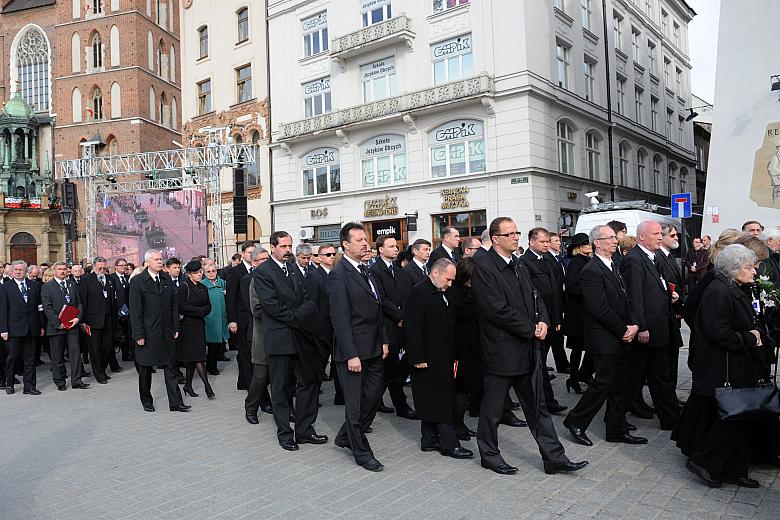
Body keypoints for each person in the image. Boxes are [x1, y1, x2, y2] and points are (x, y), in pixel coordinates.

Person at [471, 217, 587, 475]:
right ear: (496, 238)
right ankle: (489, 455)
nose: (515, 237)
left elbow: (536, 297)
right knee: (492, 411)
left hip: (527, 348)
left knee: (538, 407)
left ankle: (554, 457)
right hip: (501, 350)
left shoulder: (518, 264)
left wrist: (543, 320)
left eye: (517, 232)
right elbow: (495, 309)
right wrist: (530, 328)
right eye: (510, 233)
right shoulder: (484, 267)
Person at [674, 245, 765, 489]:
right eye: (748, 267)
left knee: (741, 419)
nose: (754, 272)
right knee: (734, 418)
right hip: (723, 366)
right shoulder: (719, 291)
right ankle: (705, 461)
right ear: (733, 269)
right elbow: (718, 332)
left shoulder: (734, 287)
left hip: (736, 364)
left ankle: (734, 469)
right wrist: (750, 337)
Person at [563, 226, 646, 446]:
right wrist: (623, 330)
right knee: (603, 383)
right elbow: (598, 309)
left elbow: (626, 299)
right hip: (604, 338)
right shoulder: (591, 270)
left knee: (619, 384)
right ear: (596, 243)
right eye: (608, 238)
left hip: (621, 334)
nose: (614, 241)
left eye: (613, 237)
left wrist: (634, 325)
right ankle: (576, 420)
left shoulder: (615, 264)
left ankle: (616, 428)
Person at [255, 231, 325, 451]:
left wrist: (299, 316)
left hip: (301, 336)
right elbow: (271, 306)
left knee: (309, 381)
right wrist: (296, 317)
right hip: (280, 339)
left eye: (289, 246)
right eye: (284, 246)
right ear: (273, 247)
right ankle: (285, 433)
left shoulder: (294, 268)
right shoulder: (264, 272)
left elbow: (307, 298)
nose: (287, 250)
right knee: (281, 388)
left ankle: (304, 430)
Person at [329, 222, 390, 472]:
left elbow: (379, 308)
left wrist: (384, 339)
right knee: (354, 407)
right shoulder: (338, 275)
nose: (365, 244)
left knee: (373, 398)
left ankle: (344, 436)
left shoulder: (369, 271)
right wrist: (351, 354)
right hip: (352, 352)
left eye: (365, 239)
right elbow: (340, 318)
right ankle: (361, 451)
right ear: (346, 244)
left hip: (375, 347)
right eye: (358, 240)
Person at [404, 258, 473, 459]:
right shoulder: (418, 292)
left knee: (433, 399)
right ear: (435, 273)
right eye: (448, 279)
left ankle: (429, 439)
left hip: (444, 355)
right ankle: (450, 444)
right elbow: (413, 327)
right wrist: (417, 356)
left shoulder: (444, 292)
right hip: (426, 357)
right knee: (441, 401)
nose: (450, 284)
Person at [620, 221, 680, 431]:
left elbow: (657, 285)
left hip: (660, 326)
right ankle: (620, 413)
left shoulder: (654, 257)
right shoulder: (634, 260)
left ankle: (669, 418)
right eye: (655, 233)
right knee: (648, 374)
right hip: (648, 329)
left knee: (655, 374)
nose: (659, 236)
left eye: (659, 233)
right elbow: (634, 298)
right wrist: (641, 326)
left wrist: (669, 295)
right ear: (642, 237)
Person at [129, 249, 188, 413]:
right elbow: (135, 310)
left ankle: (176, 402)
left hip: (167, 331)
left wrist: (176, 326)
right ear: (147, 262)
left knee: (171, 367)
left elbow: (173, 305)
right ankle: (146, 400)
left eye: (161, 259)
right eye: (156, 259)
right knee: (145, 369)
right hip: (148, 333)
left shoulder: (166, 278)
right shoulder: (138, 282)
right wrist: (138, 334)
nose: (160, 262)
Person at [519, 227, 568, 411]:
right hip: (537, 321)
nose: (546, 244)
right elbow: (531, 295)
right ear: (532, 242)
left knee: (539, 362)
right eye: (543, 241)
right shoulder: (524, 262)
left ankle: (543, 400)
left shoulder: (548, 259)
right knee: (537, 362)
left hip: (550, 320)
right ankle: (546, 402)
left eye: (548, 241)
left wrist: (556, 319)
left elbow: (555, 291)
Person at [370, 234, 416, 419]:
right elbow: (381, 299)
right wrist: (398, 316)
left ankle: (378, 403)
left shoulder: (400, 270)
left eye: (396, 246)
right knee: (389, 370)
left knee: (396, 370)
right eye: (391, 246)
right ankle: (397, 406)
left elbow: (408, 296)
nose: (396, 249)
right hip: (387, 326)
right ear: (381, 249)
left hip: (402, 326)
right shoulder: (375, 270)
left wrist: (404, 316)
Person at [448, 256, 482, 438]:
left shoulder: (474, 291)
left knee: (469, 385)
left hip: (473, 342)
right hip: (459, 344)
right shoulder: (453, 293)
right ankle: (457, 424)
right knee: (460, 386)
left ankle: (460, 424)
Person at [41, 262, 89, 391]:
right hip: (56, 327)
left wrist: (77, 318)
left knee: (75, 353)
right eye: (60, 269)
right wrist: (58, 323)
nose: (62, 271)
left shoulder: (71, 285)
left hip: (72, 326)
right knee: (57, 356)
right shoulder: (47, 287)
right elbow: (47, 308)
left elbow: (79, 303)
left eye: (64, 269)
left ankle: (77, 381)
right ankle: (60, 381)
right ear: (54, 271)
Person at [0, 260, 43, 395]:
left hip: (31, 328)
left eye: (21, 270)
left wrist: (41, 326)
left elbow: (39, 308)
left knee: (30, 359)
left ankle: (29, 386)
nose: (18, 272)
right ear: (12, 271)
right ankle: (10, 383)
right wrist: (3, 329)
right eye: (16, 269)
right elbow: (3, 310)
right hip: (13, 329)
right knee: (12, 358)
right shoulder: (6, 287)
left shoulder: (34, 286)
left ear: (26, 271)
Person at [562, 233, 594, 394]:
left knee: (587, 347)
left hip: (585, 313)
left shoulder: (587, 260)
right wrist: (590, 291)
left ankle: (581, 375)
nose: (590, 245)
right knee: (577, 349)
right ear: (579, 247)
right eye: (586, 243)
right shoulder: (576, 263)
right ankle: (574, 378)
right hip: (577, 315)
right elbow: (571, 287)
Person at [177, 261, 214, 399]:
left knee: (193, 358)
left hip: (200, 326)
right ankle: (207, 387)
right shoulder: (183, 287)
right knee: (198, 357)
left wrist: (202, 311)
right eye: (196, 273)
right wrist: (200, 311)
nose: (200, 275)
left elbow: (208, 306)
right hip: (187, 327)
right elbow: (181, 306)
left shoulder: (204, 287)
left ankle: (188, 385)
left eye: (200, 272)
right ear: (189, 274)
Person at [657, 223, 685, 397]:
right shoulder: (658, 257)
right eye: (673, 235)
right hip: (664, 316)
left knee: (672, 358)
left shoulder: (669, 256)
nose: (676, 238)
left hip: (674, 313)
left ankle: (671, 397)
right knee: (665, 362)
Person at [245, 247, 273, 424]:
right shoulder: (255, 281)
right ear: (254, 262)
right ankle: (251, 407)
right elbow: (256, 309)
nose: (265, 262)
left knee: (279, 376)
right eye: (261, 259)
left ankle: (275, 406)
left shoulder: (275, 277)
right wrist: (279, 312)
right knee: (261, 376)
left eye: (266, 258)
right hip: (263, 336)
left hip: (279, 335)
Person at [226, 241, 255, 390]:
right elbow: (230, 298)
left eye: (253, 252)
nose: (252, 255)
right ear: (242, 254)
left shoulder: (258, 270)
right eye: (249, 252)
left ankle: (243, 381)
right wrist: (232, 320)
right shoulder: (235, 272)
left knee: (250, 351)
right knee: (244, 352)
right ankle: (249, 384)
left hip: (254, 318)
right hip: (241, 318)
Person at [203, 263, 229, 376]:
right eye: (208, 272)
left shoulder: (223, 283)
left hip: (222, 317)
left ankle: (212, 365)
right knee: (212, 344)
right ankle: (211, 366)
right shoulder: (202, 284)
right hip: (209, 318)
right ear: (204, 273)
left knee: (219, 343)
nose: (211, 273)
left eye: (213, 271)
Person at [109, 258, 133, 362]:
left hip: (128, 310)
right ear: (115, 267)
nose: (124, 267)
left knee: (128, 333)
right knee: (117, 334)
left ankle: (126, 354)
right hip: (117, 311)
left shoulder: (129, 278)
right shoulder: (111, 278)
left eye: (125, 265)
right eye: (121, 265)